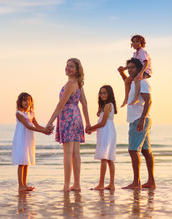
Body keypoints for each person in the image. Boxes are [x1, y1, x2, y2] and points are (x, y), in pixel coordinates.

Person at [46, 58, 91, 192]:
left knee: (68, 153)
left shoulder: (71, 84)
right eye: (67, 65)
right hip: (76, 117)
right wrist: (87, 122)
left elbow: (61, 105)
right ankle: (76, 184)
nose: (68, 68)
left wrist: (49, 122)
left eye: (71, 66)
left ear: (77, 70)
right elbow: (85, 103)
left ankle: (66, 185)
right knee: (75, 153)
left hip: (68, 117)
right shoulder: (78, 84)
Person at [118, 58, 156, 190]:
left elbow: (149, 101)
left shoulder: (143, 82)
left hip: (139, 120)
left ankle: (136, 182)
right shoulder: (135, 83)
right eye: (128, 67)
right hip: (138, 119)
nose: (130, 70)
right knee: (145, 151)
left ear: (140, 69)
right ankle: (151, 181)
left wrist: (142, 119)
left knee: (133, 150)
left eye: (133, 67)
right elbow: (127, 82)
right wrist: (122, 74)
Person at [12, 92, 52, 192]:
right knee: (21, 162)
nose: (27, 102)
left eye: (29, 100)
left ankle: (24, 184)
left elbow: (37, 126)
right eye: (24, 100)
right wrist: (43, 131)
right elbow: (28, 126)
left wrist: (46, 130)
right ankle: (20, 185)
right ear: (20, 102)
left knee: (26, 162)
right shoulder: (19, 114)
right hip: (22, 139)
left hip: (29, 139)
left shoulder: (31, 113)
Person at [87, 85, 117, 191]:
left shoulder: (108, 105)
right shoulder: (104, 106)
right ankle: (111, 184)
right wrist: (92, 130)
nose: (102, 95)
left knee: (105, 158)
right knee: (108, 158)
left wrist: (91, 127)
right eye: (101, 93)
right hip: (105, 130)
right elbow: (101, 122)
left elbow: (103, 122)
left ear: (109, 94)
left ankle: (101, 184)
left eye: (105, 92)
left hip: (107, 131)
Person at [120, 35, 153, 107]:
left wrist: (141, 73)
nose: (135, 43)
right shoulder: (135, 54)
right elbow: (132, 64)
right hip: (138, 71)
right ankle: (126, 98)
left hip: (145, 71)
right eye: (133, 42)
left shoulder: (143, 52)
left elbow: (146, 63)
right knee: (127, 81)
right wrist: (124, 69)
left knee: (136, 79)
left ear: (141, 43)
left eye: (137, 42)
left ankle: (136, 98)